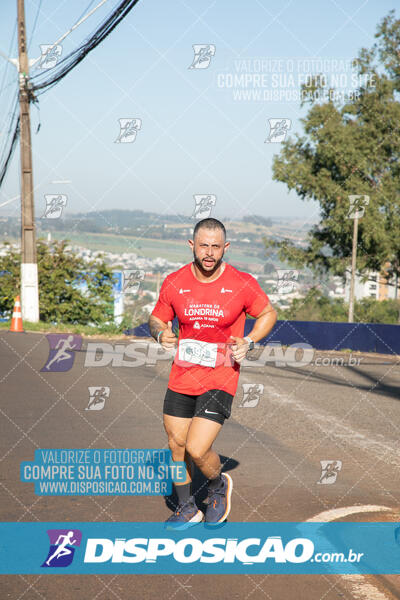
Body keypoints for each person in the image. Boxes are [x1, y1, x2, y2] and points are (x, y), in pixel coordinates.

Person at [148, 218, 277, 527]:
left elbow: (268, 313)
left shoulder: (241, 283)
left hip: (220, 377)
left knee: (196, 448)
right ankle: (188, 507)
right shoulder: (175, 281)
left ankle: (218, 487)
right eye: (203, 245)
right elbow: (157, 318)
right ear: (192, 245)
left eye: (215, 246)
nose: (209, 252)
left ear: (225, 248)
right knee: (176, 446)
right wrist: (159, 333)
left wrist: (249, 340)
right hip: (182, 374)